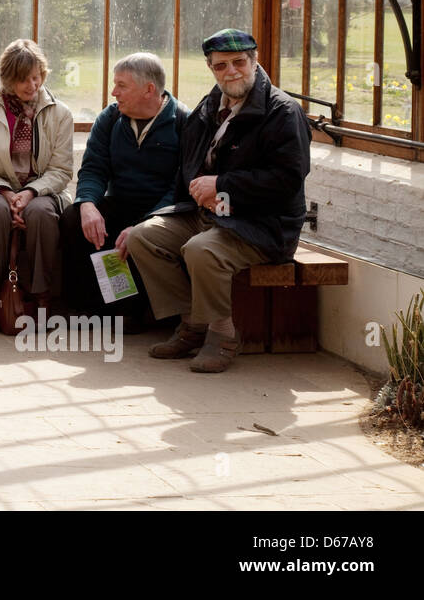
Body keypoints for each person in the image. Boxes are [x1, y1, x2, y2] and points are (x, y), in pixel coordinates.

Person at [123, 29, 311, 374]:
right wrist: (189, 200)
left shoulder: (283, 112)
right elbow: (188, 167)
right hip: (212, 214)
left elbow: (287, 180)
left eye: (240, 62)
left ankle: (222, 335)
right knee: (142, 237)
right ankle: (192, 322)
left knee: (201, 249)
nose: (232, 71)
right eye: (222, 65)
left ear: (255, 62)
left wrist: (223, 185)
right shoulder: (208, 108)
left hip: (262, 224)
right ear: (211, 68)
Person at [60, 53, 187, 329]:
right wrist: (87, 204)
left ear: (149, 90)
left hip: (165, 212)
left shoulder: (184, 122)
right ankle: (101, 307)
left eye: (121, 85)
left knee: (139, 235)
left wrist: (146, 223)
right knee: (74, 219)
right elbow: (93, 168)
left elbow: (182, 186)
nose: (113, 92)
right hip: (122, 203)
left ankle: (137, 310)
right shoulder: (110, 118)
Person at [0, 39, 74, 331]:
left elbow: (61, 170)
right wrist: (6, 192)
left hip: (43, 190)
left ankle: (42, 297)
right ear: (6, 78)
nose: (31, 84)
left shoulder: (59, 113)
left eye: (36, 76)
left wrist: (29, 193)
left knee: (40, 214)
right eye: (23, 78)